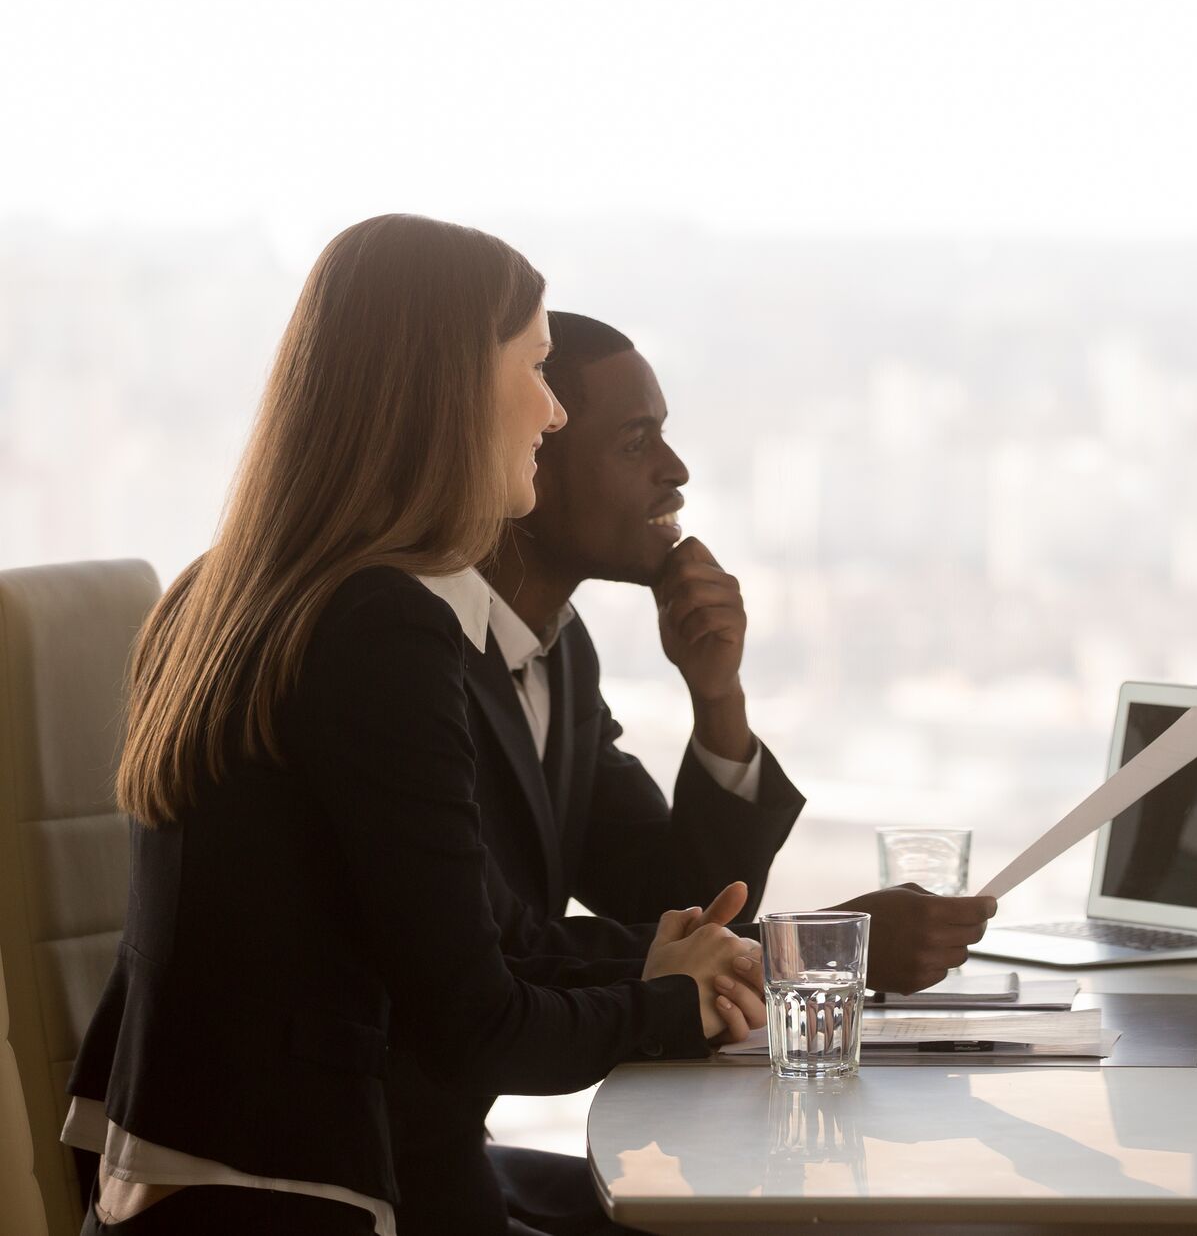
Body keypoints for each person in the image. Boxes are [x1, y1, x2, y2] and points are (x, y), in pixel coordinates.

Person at [63, 215, 762, 1235]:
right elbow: (478, 1022)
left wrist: (670, 966)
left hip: (207, 1188)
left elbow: (478, 929)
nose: (552, 409)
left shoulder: (238, 590)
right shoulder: (380, 626)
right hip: (299, 1200)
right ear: (451, 389)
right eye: (534, 367)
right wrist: (674, 1003)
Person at [395, 310, 994, 1233]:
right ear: (533, 450)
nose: (675, 472)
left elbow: (669, 891)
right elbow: (499, 950)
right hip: (372, 1164)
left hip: (438, 1147)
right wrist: (813, 951)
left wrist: (718, 697)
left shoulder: (556, 653)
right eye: (638, 441)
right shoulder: (407, 658)